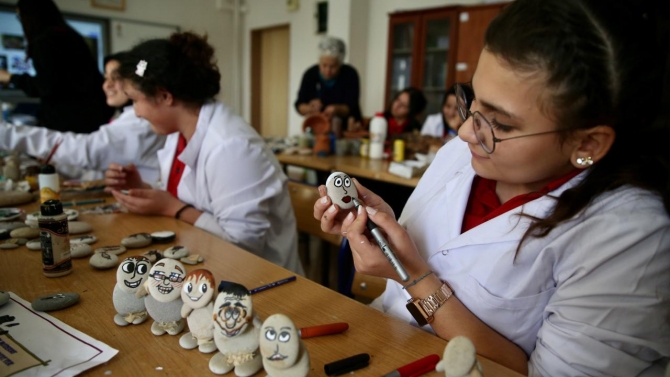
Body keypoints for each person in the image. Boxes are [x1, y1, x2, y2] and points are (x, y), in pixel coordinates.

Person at [313, 0, 670, 375]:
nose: (466, 131)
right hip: (384, 348)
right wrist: (383, 226)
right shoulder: (462, 154)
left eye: (500, 123)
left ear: (587, 144)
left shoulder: (631, 237)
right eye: (473, 99)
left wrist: (415, 277)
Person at [105, 32, 304, 275]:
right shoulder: (179, 134)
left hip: (259, 279)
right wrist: (144, 188)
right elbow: (192, 197)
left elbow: (245, 244)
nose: (135, 112)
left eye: (135, 100)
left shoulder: (232, 147)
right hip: (206, 264)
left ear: (164, 96)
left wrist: (173, 208)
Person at [0, 52, 165, 182]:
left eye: (116, 78)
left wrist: (8, 134)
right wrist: (59, 165)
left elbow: (86, 152)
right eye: (106, 77)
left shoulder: (139, 122)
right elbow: (101, 165)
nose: (107, 85)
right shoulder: (127, 116)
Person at [0, 0, 113, 133]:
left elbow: (46, 85)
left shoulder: (45, 41)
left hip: (68, 124)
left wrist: (10, 77)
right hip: (89, 119)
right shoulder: (71, 36)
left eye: (20, 17)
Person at [295, 36, 362, 121]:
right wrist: (310, 108)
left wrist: (336, 109)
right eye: (324, 65)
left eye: (333, 66)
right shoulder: (310, 75)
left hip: (346, 126)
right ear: (319, 61)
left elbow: (352, 105)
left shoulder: (350, 74)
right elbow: (299, 105)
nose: (328, 71)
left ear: (340, 64)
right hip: (319, 125)